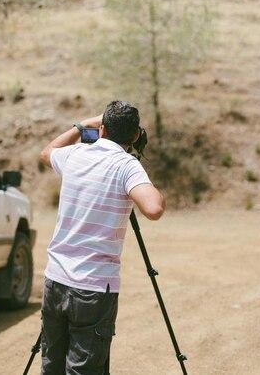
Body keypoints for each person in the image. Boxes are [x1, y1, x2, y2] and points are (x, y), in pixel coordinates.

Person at [39, 100, 165, 375]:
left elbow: (47, 152)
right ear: (134, 136)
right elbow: (154, 209)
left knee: (51, 366)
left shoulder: (75, 155)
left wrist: (82, 124)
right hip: (94, 288)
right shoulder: (127, 166)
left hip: (56, 280)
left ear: (102, 129)